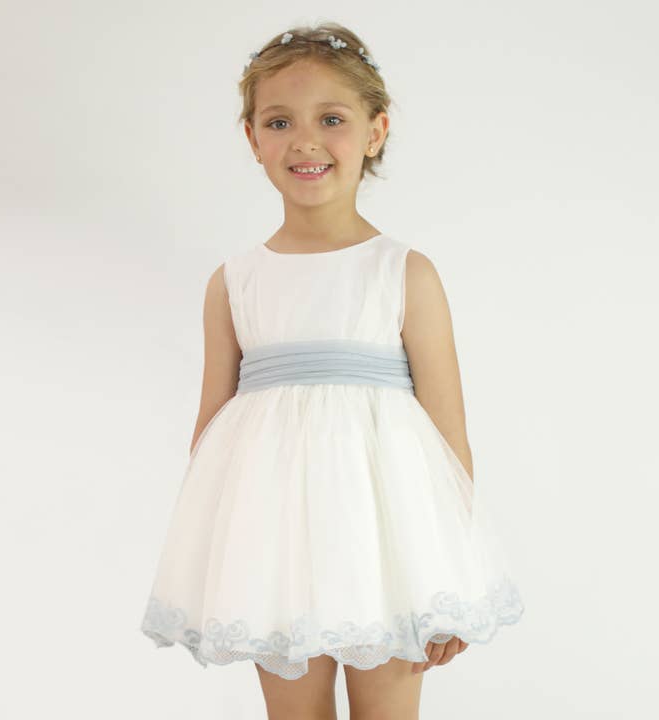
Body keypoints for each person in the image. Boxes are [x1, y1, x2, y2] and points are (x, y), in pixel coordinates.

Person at [140, 22, 525, 720]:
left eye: (332, 119)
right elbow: (211, 431)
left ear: (376, 131)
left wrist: (449, 575)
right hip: (273, 545)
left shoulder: (403, 273)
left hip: (388, 549)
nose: (304, 141)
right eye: (279, 121)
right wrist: (221, 560)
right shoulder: (235, 283)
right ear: (252, 138)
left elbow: (448, 442)